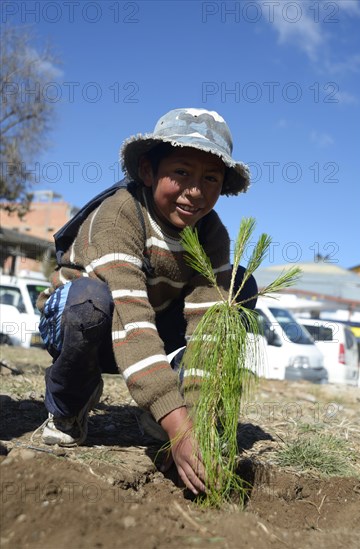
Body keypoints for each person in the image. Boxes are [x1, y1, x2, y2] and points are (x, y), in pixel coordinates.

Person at [35, 108, 257, 495]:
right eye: (182, 173)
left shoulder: (211, 233)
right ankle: (69, 401)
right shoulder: (119, 214)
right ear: (148, 171)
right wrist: (178, 424)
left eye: (210, 179)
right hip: (92, 322)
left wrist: (195, 419)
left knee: (240, 286)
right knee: (90, 302)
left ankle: (161, 416)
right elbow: (130, 315)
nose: (195, 190)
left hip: (148, 328)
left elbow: (206, 330)